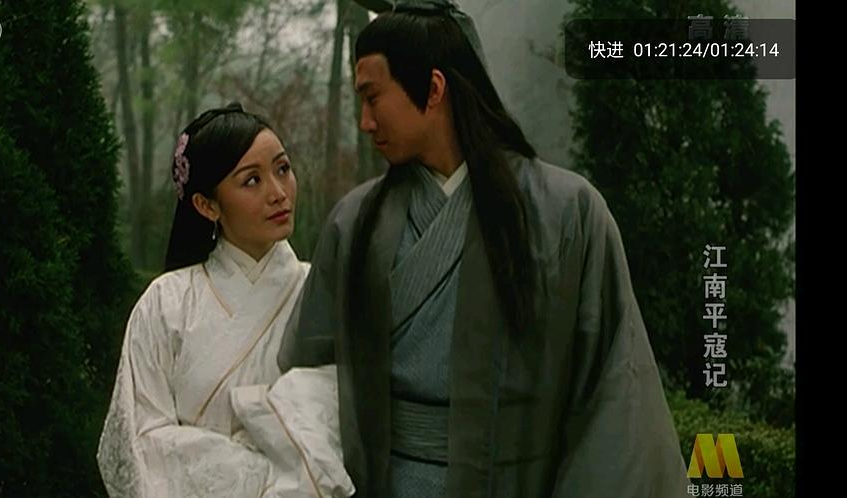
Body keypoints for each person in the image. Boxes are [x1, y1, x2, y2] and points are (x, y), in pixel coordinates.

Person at [277, 2, 691, 497]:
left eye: (372, 97)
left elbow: (614, 397)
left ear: (433, 89)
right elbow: (310, 382)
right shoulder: (354, 221)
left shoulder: (568, 212)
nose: (365, 121)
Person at [98, 103, 354, 498]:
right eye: (252, 180)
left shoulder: (321, 291)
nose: (278, 193)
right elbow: (140, 441)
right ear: (207, 205)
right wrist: (266, 474)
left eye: (282, 169)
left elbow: (348, 421)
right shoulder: (165, 303)